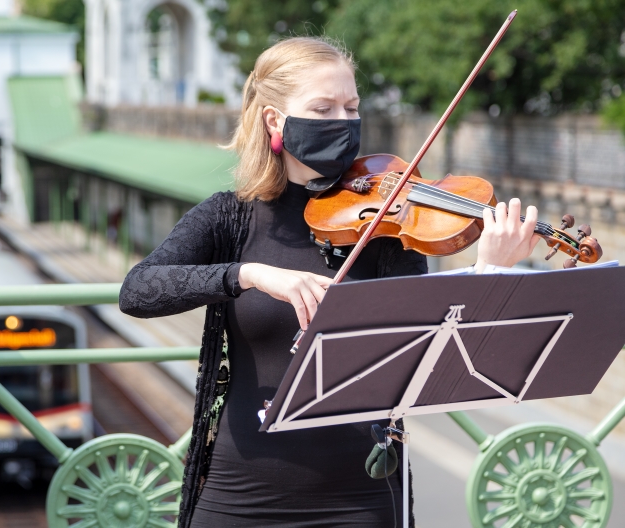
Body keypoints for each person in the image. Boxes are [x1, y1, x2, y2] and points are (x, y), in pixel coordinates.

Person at [120, 37, 539, 528]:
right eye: (323, 108)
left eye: (351, 106)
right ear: (275, 120)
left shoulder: (389, 224)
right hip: (239, 494)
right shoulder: (228, 217)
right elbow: (138, 290)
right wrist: (249, 275)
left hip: (358, 498)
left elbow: (436, 360)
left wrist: (491, 269)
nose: (343, 121)